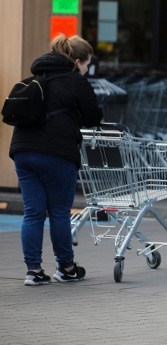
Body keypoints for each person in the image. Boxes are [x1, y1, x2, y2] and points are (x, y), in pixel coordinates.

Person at [9, 34, 103, 285]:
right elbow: (94, 116)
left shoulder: (34, 79)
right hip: (56, 152)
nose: (86, 70)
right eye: (86, 65)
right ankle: (66, 267)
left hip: (23, 151)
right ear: (77, 61)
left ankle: (34, 272)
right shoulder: (75, 81)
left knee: (33, 212)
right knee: (59, 211)